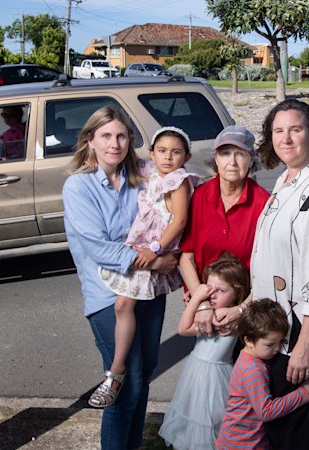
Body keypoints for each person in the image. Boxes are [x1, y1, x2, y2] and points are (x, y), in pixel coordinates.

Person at [62, 106, 178, 449]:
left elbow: (174, 186)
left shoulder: (141, 177)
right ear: (90, 140)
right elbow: (100, 249)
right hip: (107, 298)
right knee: (127, 383)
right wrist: (156, 262)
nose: (115, 143)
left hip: (148, 293)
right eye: (106, 136)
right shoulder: (78, 187)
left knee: (143, 379)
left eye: (122, 136)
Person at [248, 98, 309, 449]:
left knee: (292, 427)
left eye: (295, 129)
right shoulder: (287, 180)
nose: (286, 139)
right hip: (276, 325)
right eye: (278, 130)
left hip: (295, 336)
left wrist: (304, 346)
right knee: (296, 422)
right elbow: (272, 257)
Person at [89, 126, 194, 408]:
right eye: (162, 151)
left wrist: (156, 249)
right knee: (124, 306)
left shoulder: (178, 181)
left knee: (124, 305)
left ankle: (116, 371)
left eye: (176, 152)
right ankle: (118, 370)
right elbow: (122, 159)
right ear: (152, 154)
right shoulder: (151, 171)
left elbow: (180, 221)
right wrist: (92, 156)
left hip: (157, 247)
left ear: (186, 156)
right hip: (141, 246)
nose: (168, 157)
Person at [179, 125, 270, 336]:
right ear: (216, 159)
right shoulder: (200, 196)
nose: (232, 161)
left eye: (240, 154)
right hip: (204, 307)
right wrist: (201, 304)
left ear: (252, 160)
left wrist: (241, 310)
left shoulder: (264, 204)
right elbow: (187, 258)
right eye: (225, 153)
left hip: (248, 310)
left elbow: (269, 270)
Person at [159, 253, 250, 450]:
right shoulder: (228, 313)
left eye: (221, 290)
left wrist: (196, 300)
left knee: (203, 416)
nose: (213, 295)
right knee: (204, 417)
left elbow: (183, 329)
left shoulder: (222, 316)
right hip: (204, 370)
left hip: (209, 375)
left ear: (237, 291)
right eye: (209, 289)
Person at [215, 300, 309, 450]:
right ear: (248, 340)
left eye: (280, 342)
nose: (276, 349)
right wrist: (302, 395)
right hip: (242, 443)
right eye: (270, 344)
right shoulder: (252, 371)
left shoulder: (248, 358)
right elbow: (266, 411)